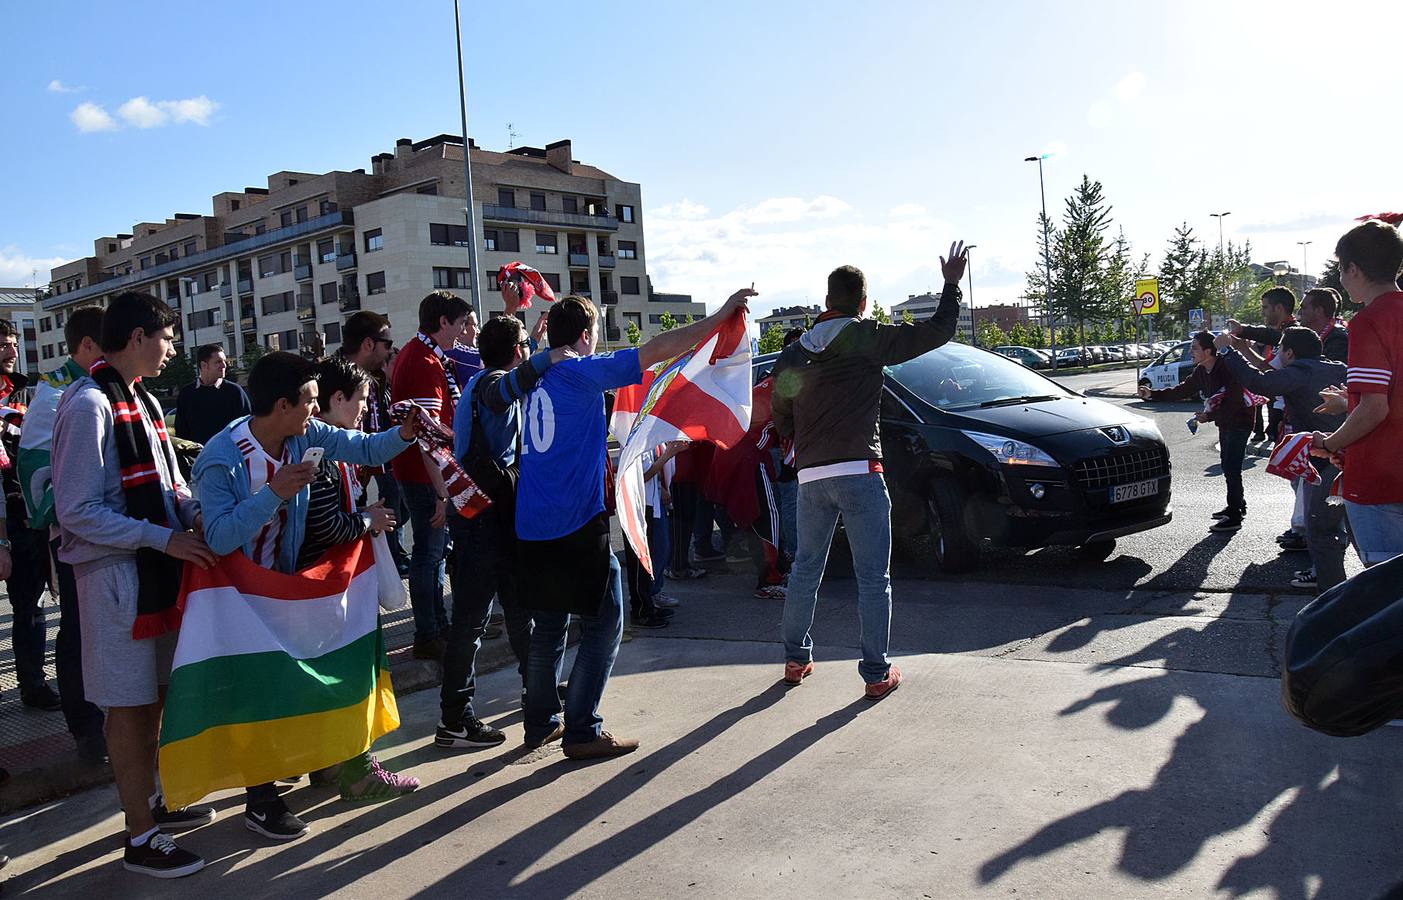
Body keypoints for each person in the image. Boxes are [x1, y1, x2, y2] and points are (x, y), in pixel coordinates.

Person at [193, 350, 421, 837]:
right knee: (253, 696)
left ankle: (298, 773)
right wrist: (274, 493)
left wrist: (404, 434)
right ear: (282, 405)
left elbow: (364, 448)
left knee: (279, 688)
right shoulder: (222, 458)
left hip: (284, 589)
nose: (317, 411)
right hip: (234, 595)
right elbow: (218, 537)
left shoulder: (304, 436)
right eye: (311, 400)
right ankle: (260, 800)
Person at [517, 289, 754, 758]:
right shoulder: (579, 373)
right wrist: (720, 314)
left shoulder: (534, 378)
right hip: (574, 521)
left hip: (532, 522)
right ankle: (583, 730)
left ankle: (541, 722)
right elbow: (658, 349)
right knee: (606, 619)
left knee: (548, 626)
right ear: (585, 337)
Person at [51, 292, 218, 878]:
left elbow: (171, 483)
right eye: (166, 338)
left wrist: (200, 514)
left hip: (152, 571)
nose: (172, 349)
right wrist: (162, 538)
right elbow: (76, 510)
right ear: (139, 337)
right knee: (127, 707)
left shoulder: (141, 400)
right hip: (116, 578)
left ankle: (152, 803)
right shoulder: (88, 405)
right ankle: (139, 837)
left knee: (155, 699)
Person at [773, 248, 964, 700]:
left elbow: (780, 411)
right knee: (872, 577)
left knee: (804, 570)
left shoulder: (795, 353)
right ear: (862, 302)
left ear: (827, 299)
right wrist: (951, 286)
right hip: (860, 470)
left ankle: (796, 658)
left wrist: (799, 436)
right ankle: (876, 673)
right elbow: (937, 331)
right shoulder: (866, 336)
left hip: (811, 477)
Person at [297, 355, 421, 802]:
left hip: (333, 581)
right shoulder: (321, 451)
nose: (365, 412)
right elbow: (325, 525)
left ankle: (328, 761)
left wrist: (404, 434)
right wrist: (366, 521)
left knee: (332, 673)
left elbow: (370, 448)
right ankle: (358, 768)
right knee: (349, 674)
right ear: (334, 399)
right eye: (362, 401)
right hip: (332, 581)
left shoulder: (328, 446)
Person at [438, 314, 564, 750]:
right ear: (516, 353)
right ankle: (455, 719)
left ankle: (539, 691)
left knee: (520, 611)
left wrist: (539, 342)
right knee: (470, 624)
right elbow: (505, 391)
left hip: (490, 519)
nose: (528, 353)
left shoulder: (475, 382)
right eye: (525, 348)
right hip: (483, 523)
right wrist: (550, 357)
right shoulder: (490, 384)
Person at [17, 306, 108, 760]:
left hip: (115, 534)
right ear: (89, 346)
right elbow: (33, 466)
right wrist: (74, 510)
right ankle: (87, 727)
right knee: (75, 627)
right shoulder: (55, 389)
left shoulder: (117, 385)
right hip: (74, 534)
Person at [1216, 327, 1348, 590]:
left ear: (1290, 352)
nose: (1277, 353)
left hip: (1327, 458)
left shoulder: (1300, 372)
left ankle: (1331, 589)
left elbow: (1259, 382)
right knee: (1344, 527)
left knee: (1320, 528)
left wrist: (1226, 350)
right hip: (1349, 455)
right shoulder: (1336, 367)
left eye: (1280, 349)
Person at [1312, 219, 1403, 566]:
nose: (1340, 276)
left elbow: (1375, 408)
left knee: (1386, 597)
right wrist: (1347, 400)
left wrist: (1331, 442)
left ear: (1354, 268)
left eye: (1340, 268)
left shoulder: (1367, 321)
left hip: (1380, 480)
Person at [391, 291, 471, 660]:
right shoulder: (423, 362)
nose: (461, 331)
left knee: (434, 554)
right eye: (458, 324)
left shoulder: (421, 355)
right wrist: (442, 492)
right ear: (443, 322)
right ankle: (429, 633)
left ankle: (437, 626)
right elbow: (426, 435)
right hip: (425, 478)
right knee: (429, 555)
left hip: (423, 475)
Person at [0, 320, 62, 714]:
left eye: (12, 344)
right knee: (25, 604)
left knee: (36, 602)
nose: (11, 351)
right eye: (3, 345)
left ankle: (34, 682)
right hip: (4, 515)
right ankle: (32, 683)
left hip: (32, 513)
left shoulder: (29, 391)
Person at [1139, 331, 1255, 533]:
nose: (1190, 352)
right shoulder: (1202, 371)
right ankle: (1237, 505)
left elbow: (1234, 403)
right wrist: (1152, 394)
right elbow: (1182, 390)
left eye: (1194, 348)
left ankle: (1235, 515)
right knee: (1228, 465)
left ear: (1208, 351)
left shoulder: (1226, 368)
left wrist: (1208, 417)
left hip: (1240, 422)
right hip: (1225, 423)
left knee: (1231, 466)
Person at [1229, 287, 1302, 544]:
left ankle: (1304, 529)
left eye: (1265, 308)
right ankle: (1302, 526)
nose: (1262, 313)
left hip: (1296, 411)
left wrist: (1241, 338)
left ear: (1280, 309)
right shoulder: (1285, 336)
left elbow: (1265, 375)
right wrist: (1243, 347)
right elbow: (1267, 368)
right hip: (1284, 410)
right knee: (1296, 472)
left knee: (1302, 472)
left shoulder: (1292, 334)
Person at [339, 310, 409, 575]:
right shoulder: (331, 376)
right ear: (368, 344)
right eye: (387, 344)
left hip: (373, 457)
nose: (390, 351)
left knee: (392, 505)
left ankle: (386, 561)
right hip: (338, 469)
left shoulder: (377, 376)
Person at [625, 442, 685, 628]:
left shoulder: (650, 438)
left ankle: (648, 603)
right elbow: (642, 475)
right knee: (640, 562)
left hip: (651, 504)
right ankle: (641, 610)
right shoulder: (636, 439)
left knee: (656, 553)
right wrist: (668, 455)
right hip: (640, 506)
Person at [174, 344, 250, 447]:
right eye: (218, 362)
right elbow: (181, 431)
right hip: (197, 458)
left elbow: (247, 426)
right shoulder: (186, 394)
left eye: (224, 361)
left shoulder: (235, 391)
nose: (224, 366)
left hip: (229, 456)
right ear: (204, 365)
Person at [1299, 287, 1350, 363]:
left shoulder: (1338, 340)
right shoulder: (1306, 336)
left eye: (1303, 308)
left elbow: (1330, 372)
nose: (1299, 312)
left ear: (1318, 311)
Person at [444, 308, 484, 386]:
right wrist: (510, 308)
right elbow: (495, 355)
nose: (478, 331)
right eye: (475, 326)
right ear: (463, 325)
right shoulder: (451, 351)